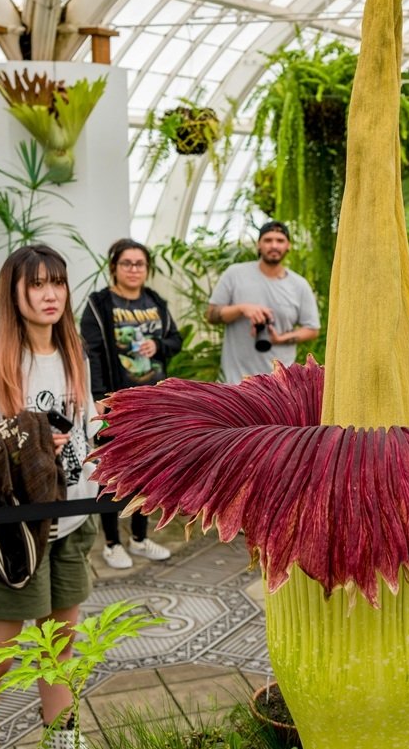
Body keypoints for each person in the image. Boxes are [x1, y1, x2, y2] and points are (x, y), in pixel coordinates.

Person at [0, 244, 100, 749]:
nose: (49, 294)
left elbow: (89, 425)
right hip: (14, 530)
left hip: (73, 519)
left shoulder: (75, 352)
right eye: (35, 284)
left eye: (56, 282)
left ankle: (63, 746)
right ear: (13, 293)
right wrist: (20, 436)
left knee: (59, 654)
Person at [80, 238, 182, 569]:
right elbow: (91, 353)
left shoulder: (156, 301)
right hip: (116, 403)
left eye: (140, 264)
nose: (134, 269)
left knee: (149, 473)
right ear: (114, 267)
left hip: (153, 403)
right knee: (112, 473)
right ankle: (112, 543)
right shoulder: (99, 304)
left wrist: (158, 345)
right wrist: (98, 396)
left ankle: (139, 538)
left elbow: (174, 340)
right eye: (127, 263)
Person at [206, 220, 320, 383]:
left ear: (288, 246)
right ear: (259, 245)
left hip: (280, 384)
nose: (274, 245)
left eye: (280, 240)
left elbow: (312, 329)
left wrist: (280, 339)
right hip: (237, 382)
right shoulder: (235, 274)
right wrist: (242, 309)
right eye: (268, 240)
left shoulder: (299, 285)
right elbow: (211, 314)